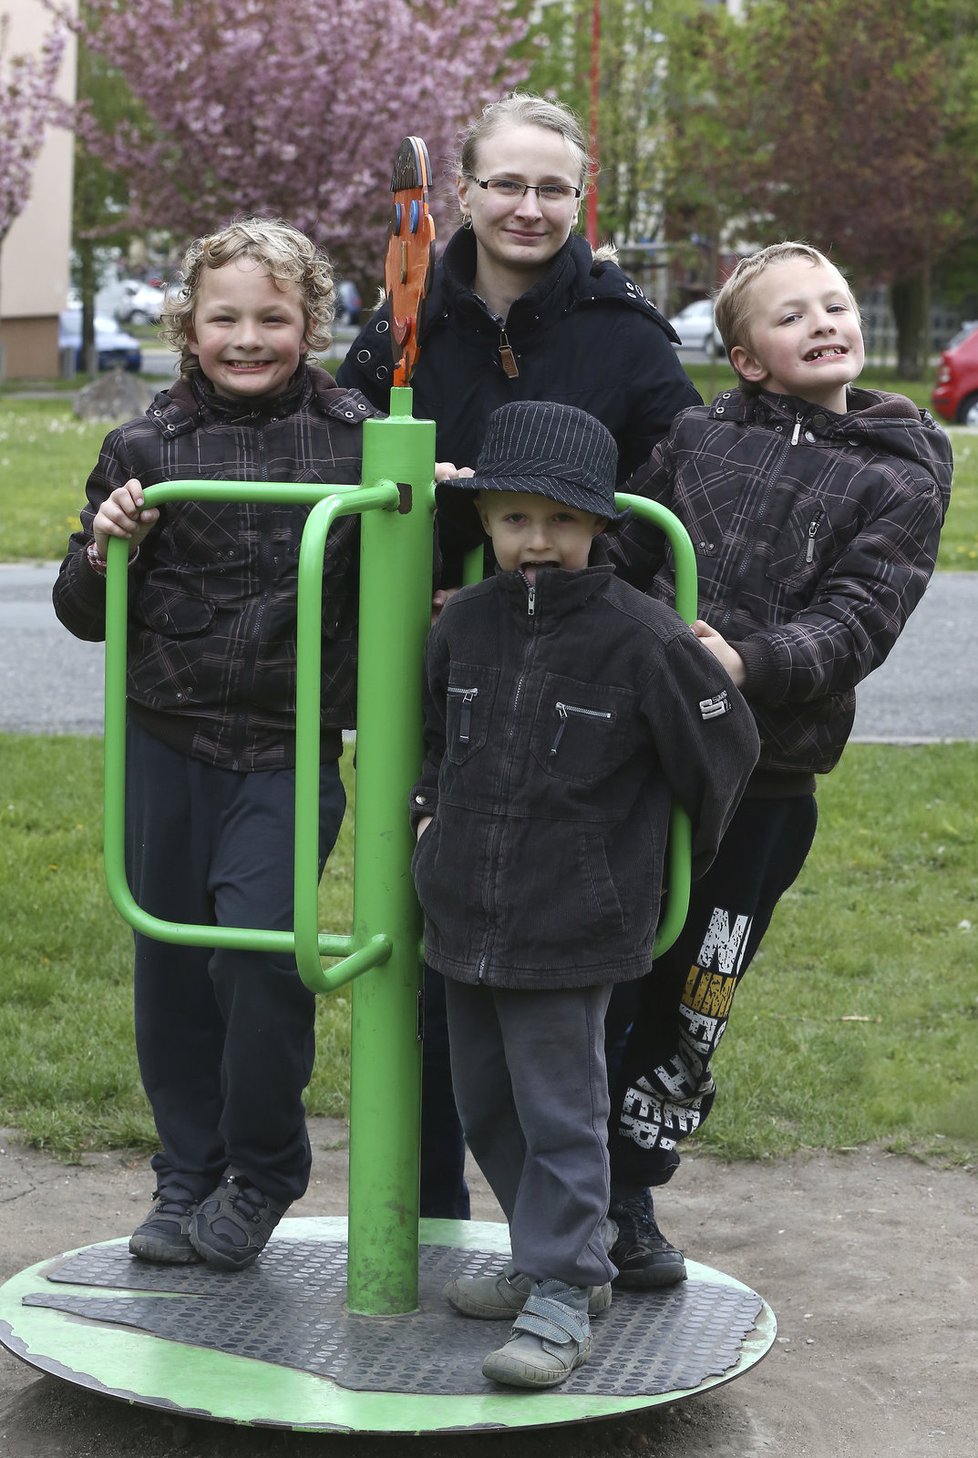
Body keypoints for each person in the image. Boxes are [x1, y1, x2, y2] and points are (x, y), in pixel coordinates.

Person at [339, 90, 701, 1217]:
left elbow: (673, 489)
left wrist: (575, 595)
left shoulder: (624, 333)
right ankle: (433, 1201)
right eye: (507, 183)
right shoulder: (405, 326)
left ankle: (607, 1214)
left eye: (554, 187)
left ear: (582, 198)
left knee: (588, 942)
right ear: (463, 192)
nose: (530, 207)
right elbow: (356, 484)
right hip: (441, 678)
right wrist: (428, 588)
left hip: (582, 680)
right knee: (439, 935)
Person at [602, 242, 953, 1290]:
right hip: (641, 764)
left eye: (836, 304)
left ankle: (636, 1188)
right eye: (791, 315)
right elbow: (621, 549)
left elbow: (861, 620)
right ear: (747, 358)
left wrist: (750, 663)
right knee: (609, 974)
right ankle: (576, 1192)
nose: (823, 323)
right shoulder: (697, 438)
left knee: (695, 991)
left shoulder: (901, 468)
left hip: (765, 784)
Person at [410, 399, 760, 1388]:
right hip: (465, 917)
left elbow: (724, 749)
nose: (538, 540)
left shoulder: (641, 638)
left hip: (573, 925)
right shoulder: (464, 624)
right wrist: (429, 816)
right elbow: (437, 736)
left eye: (563, 522)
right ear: (484, 523)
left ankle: (564, 1292)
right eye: (517, 518)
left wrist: (641, 862)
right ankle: (549, 1259)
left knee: (561, 1111)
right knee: (486, 1105)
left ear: (601, 527)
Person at [52, 217, 379, 1272]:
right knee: (174, 968)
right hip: (167, 743)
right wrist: (109, 547)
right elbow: (81, 613)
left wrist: (424, 490)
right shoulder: (146, 450)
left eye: (273, 318)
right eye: (224, 317)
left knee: (263, 964)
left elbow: (408, 560)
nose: (248, 337)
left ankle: (260, 1169)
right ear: (187, 326)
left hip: (285, 750)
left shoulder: (354, 435)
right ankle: (184, 1170)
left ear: (312, 322)